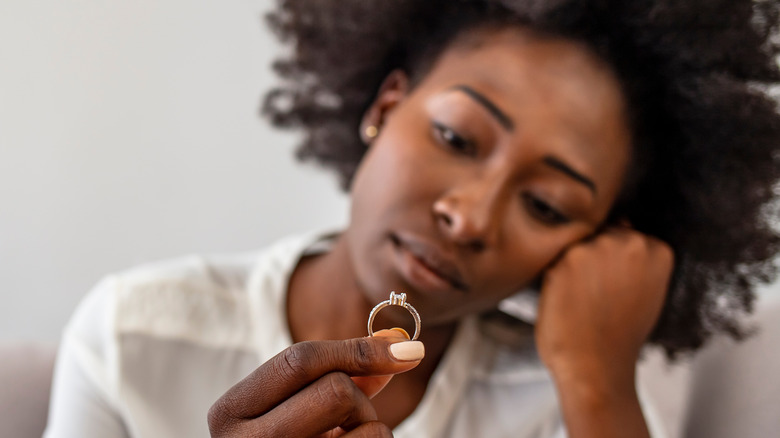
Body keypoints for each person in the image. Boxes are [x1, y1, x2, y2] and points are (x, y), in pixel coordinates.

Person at [45, 0, 780, 437]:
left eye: (547, 205)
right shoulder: (136, 338)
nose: (470, 217)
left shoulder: (576, 396)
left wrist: (596, 387)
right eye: (456, 138)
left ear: (591, 246)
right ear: (385, 107)